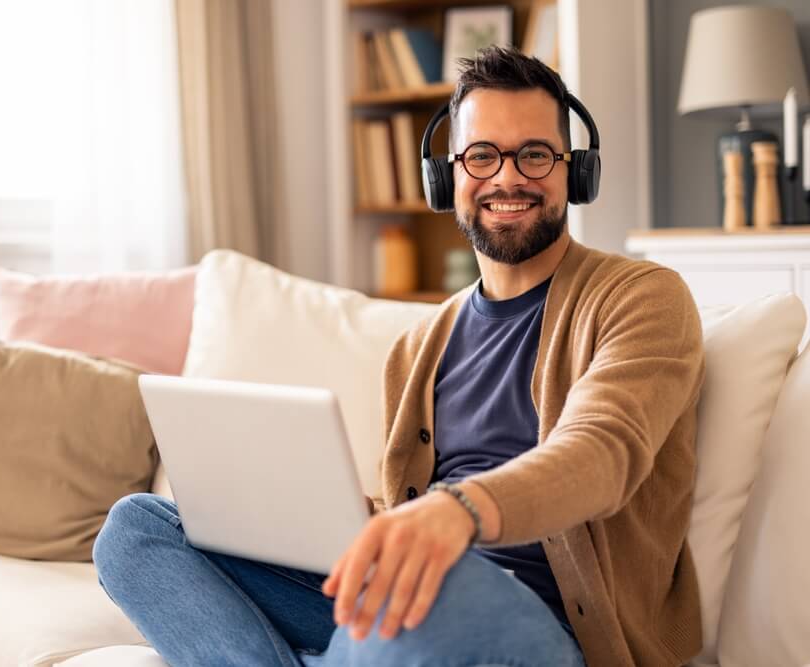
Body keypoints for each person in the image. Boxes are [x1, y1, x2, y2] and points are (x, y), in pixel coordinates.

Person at [92, 46, 704, 667]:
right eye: (482, 155)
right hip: (415, 604)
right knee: (136, 530)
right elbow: (413, 507)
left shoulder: (641, 298)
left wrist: (458, 512)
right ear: (448, 176)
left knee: (435, 591)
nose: (508, 178)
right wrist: (340, 518)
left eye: (536, 154)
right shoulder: (420, 344)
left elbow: (604, 452)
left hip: (547, 628)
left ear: (576, 171)